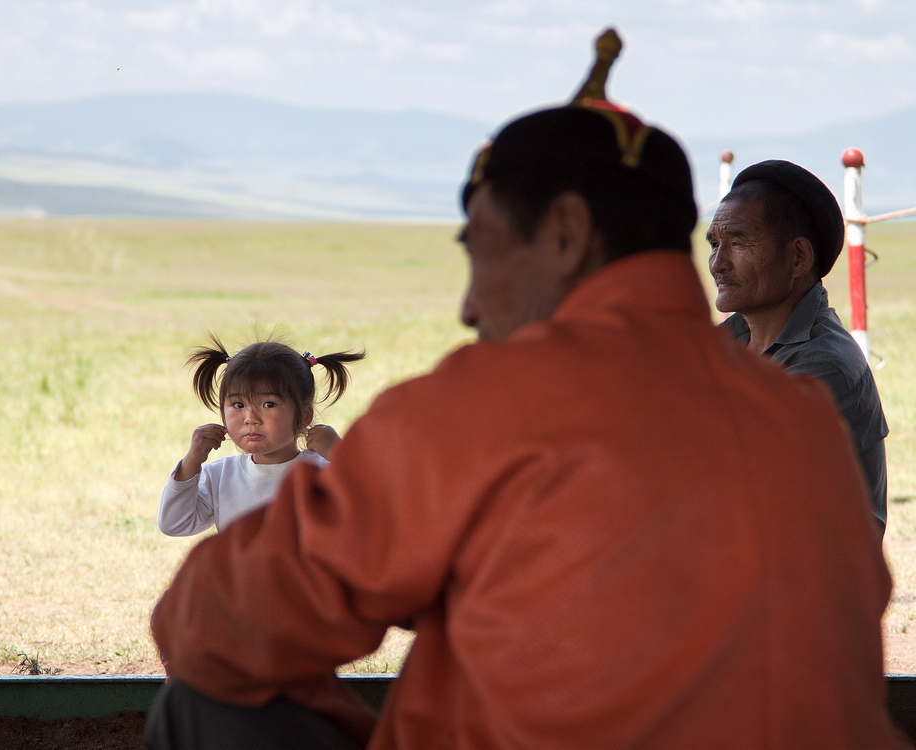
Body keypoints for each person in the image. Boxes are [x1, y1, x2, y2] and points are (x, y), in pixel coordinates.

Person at [145, 30, 900, 750]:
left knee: (198, 699)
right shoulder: (799, 414)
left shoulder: (484, 409)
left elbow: (202, 621)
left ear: (566, 233)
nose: (470, 307)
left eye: (483, 251)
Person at [707, 160, 889, 536]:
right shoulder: (731, 338)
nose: (717, 264)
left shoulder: (824, 368)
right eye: (714, 244)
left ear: (798, 258)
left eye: (737, 242)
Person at [157, 335, 364, 536]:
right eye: (238, 405)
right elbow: (174, 524)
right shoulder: (220, 477)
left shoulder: (323, 472)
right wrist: (192, 461)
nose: (250, 418)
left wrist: (341, 457)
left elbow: (372, 514)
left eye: (269, 404)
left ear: (304, 416)